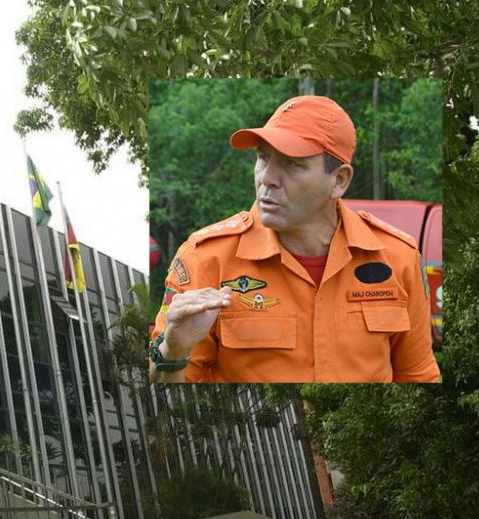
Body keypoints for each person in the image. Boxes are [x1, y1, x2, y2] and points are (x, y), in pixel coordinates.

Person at [149, 95, 439, 383]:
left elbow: (417, 376)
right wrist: (173, 351)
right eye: (263, 157)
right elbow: (164, 398)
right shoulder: (206, 258)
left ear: (339, 180)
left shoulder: (398, 257)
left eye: (291, 164)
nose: (267, 178)